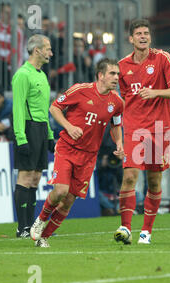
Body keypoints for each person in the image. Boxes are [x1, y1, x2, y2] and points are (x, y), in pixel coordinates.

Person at [29, 58, 125, 247]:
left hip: (89, 156)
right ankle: (40, 220)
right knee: (61, 191)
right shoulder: (80, 90)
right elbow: (54, 107)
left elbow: (116, 123)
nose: (116, 77)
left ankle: (44, 238)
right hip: (67, 148)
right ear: (100, 75)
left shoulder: (117, 102)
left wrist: (119, 143)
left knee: (69, 201)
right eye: (112, 73)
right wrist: (69, 126)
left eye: (118, 74)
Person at [113, 18, 170, 245]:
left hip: (159, 129)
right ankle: (125, 227)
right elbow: (121, 98)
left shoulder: (162, 58)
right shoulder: (122, 66)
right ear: (131, 39)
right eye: (139, 34)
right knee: (130, 176)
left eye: (146, 33)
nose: (143, 36)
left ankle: (146, 231)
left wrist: (155, 93)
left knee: (154, 182)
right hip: (133, 129)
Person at [11, 34, 54, 238]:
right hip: (27, 129)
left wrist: (50, 135)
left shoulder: (42, 75)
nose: (50, 53)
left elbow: (45, 109)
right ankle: (22, 228)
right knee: (25, 176)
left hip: (41, 129)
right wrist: (21, 138)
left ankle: (32, 227)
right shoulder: (22, 75)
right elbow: (18, 108)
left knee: (36, 178)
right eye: (48, 49)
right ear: (37, 50)